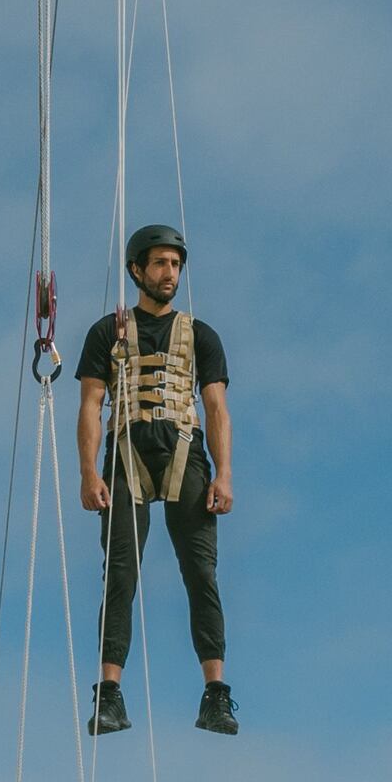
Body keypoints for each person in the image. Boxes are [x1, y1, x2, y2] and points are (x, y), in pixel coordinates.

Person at [76, 223, 235, 737]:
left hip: (184, 457)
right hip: (125, 455)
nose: (170, 274)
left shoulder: (200, 336)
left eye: (176, 265)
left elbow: (216, 408)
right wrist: (86, 472)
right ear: (137, 270)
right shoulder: (109, 332)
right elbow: (91, 404)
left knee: (200, 573)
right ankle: (109, 693)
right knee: (120, 572)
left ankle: (215, 694)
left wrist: (225, 474)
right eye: (161, 264)